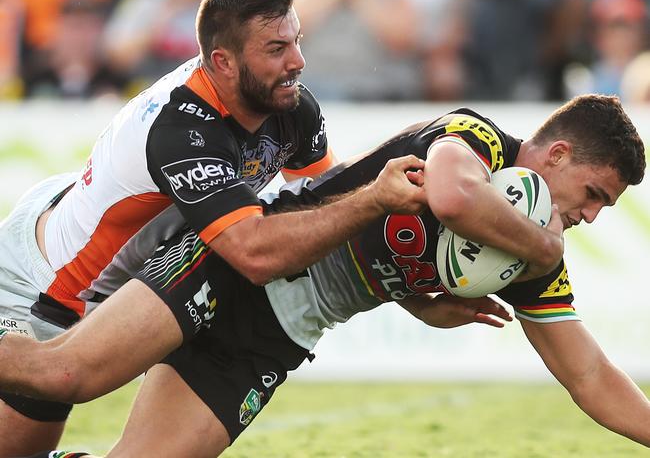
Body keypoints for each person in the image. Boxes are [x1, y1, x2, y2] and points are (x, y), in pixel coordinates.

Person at [4, 94, 645, 456]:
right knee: (66, 372)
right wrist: (543, 251)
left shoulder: (525, 251)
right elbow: (451, 198)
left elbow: (589, 375)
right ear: (557, 154)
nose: (588, 216)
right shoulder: (477, 140)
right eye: (593, 194)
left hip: (277, 339)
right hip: (240, 264)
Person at [0, 0, 430, 457]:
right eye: (275, 49)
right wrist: (377, 197)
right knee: (53, 394)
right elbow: (254, 252)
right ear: (223, 62)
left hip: (145, 275)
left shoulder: (288, 103)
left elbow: (328, 205)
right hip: (50, 288)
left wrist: (412, 297)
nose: (297, 62)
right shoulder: (181, 127)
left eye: (296, 42)